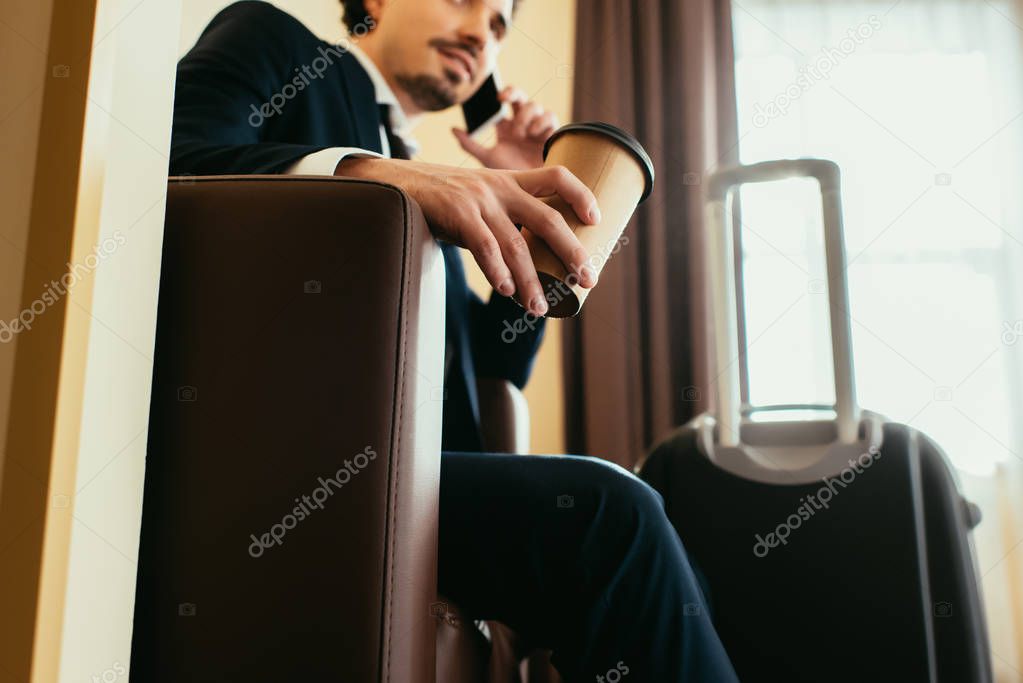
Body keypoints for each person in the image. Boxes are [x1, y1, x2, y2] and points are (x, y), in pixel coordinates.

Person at [170, 1, 740, 680]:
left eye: (498, 25)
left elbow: (494, 362)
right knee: (613, 515)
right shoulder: (272, 40)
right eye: (463, 1)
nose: (480, 33)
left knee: (673, 552)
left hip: (424, 477)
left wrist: (534, 244)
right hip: (300, 465)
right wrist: (381, 177)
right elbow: (175, 158)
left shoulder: (427, 183)